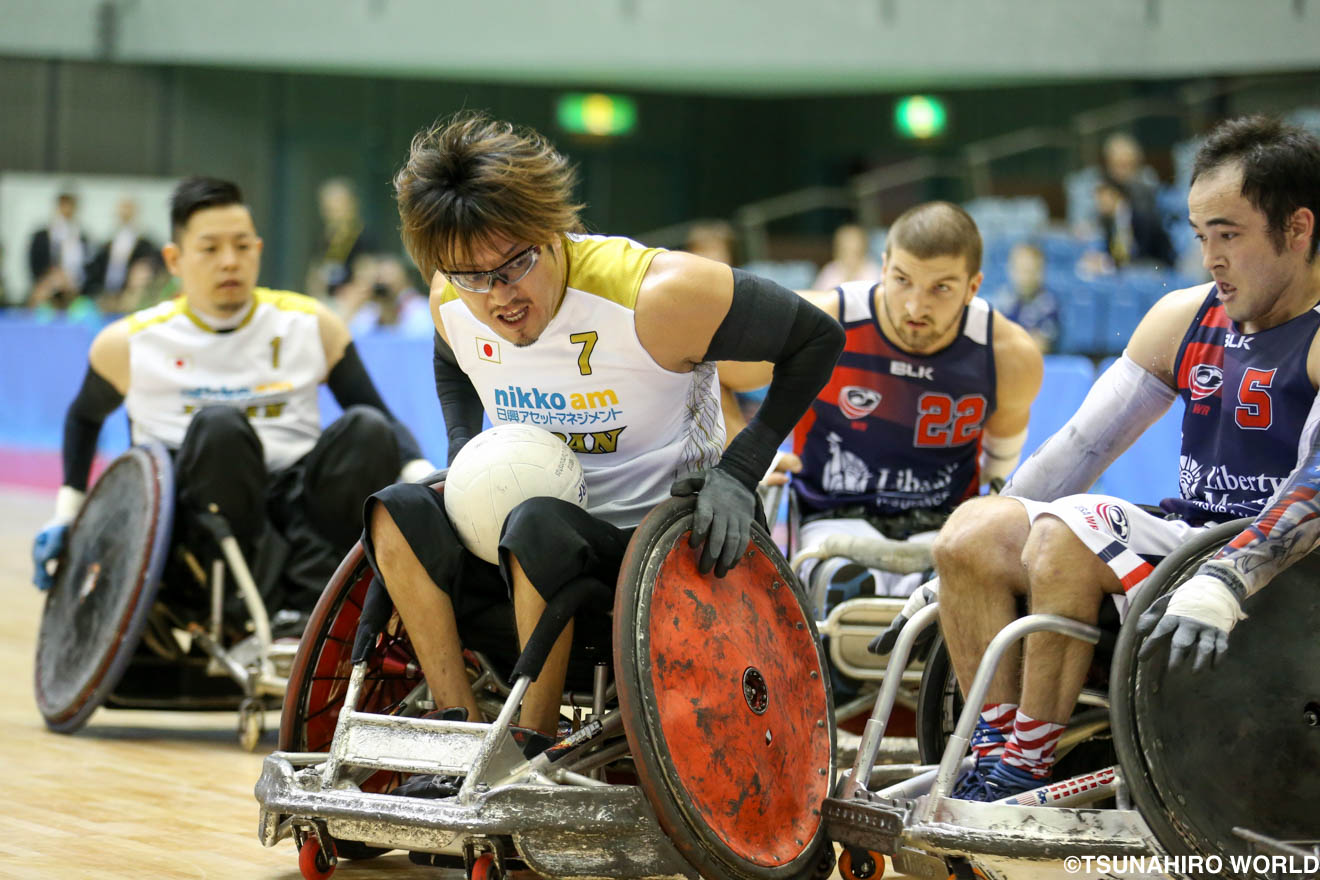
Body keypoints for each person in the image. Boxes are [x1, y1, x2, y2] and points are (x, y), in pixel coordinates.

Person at [365, 112, 843, 775]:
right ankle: (456, 731)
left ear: (551, 230)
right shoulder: (452, 293)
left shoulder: (656, 293)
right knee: (397, 508)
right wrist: (464, 452)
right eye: (474, 277)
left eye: (516, 264)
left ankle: (528, 750)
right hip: (521, 554)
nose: (499, 296)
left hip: (666, 555)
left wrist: (739, 470)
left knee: (538, 524)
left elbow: (818, 337)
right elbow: (452, 359)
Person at [913, 115, 1320, 801]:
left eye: (1229, 235)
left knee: (1068, 534)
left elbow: (1316, 485)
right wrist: (948, 575)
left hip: (1284, 570)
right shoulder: (1184, 317)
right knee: (972, 534)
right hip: (1190, 538)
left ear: (1299, 228)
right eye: (1200, 236)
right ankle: (989, 753)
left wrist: (1228, 577)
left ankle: (1024, 768)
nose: (1210, 258)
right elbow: (1080, 448)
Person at [31, 176, 434, 616]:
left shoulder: (311, 325)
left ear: (257, 250)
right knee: (219, 425)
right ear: (174, 259)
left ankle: (309, 612)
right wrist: (66, 512)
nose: (229, 261)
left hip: (301, 507)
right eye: (210, 249)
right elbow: (83, 418)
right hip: (199, 522)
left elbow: (381, 417)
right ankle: (247, 609)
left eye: (242, 246)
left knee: (367, 430)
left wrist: (427, 480)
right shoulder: (128, 343)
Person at [720, 202, 1043, 599]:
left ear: (972, 287)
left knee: (957, 605)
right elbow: (713, 372)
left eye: (941, 288)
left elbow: (1000, 471)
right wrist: (747, 452)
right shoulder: (826, 318)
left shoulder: (1008, 354)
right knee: (840, 588)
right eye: (902, 280)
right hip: (834, 520)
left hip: (941, 529)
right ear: (884, 267)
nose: (915, 306)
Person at [85, 197, 164, 308]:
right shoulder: (107, 244)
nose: (125, 212)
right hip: (106, 297)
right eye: (122, 208)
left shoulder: (146, 245)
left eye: (128, 208)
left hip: (131, 296)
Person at [985, 242, 1060, 353]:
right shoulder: (1002, 299)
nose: (1025, 276)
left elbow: (1039, 346)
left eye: (1030, 270)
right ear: (1010, 270)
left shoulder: (1048, 303)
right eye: (1019, 269)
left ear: (1041, 272)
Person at [28, 190, 89, 300]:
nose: (67, 210)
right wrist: (48, 278)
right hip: (47, 283)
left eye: (70, 206)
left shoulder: (82, 238)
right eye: (63, 206)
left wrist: (71, 281)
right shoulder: (41, 236)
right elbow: (34, 263)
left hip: (74, 287)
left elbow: (87, 267)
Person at [813, 223, 882, 291]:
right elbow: (818, 295)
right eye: (845, 251)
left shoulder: (874, 272)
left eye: (855, 252)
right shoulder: (829, 271)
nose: (850, 258)